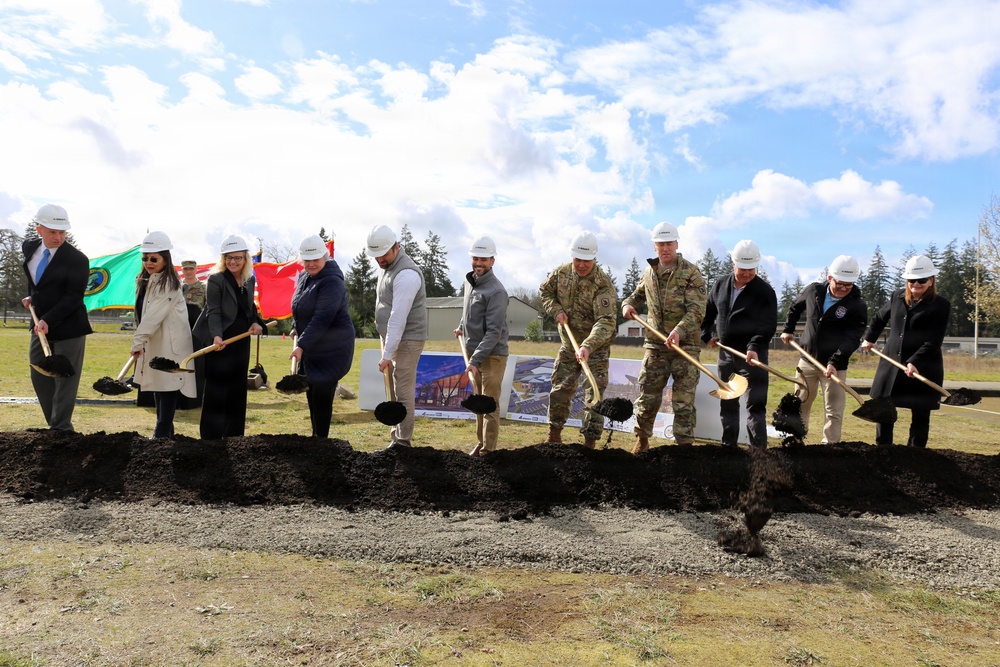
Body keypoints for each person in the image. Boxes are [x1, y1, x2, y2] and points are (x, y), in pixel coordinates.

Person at [622, 222, 707, 452]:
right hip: (655, 346)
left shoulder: (691, 273)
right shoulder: (649, 272)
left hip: (685, 347)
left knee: (683, 401)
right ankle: (642, 440)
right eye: (660, 244)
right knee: (647, 397)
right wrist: (628, 304)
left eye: (669, 243)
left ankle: (684, 447)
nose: (665, 248)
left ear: (677, 244)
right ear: (654, 246)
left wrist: (679, 331)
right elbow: (637, 295)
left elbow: (697, 311)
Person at [861, 255, 950, 447]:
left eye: (922, 280)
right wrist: (869, 338)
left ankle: (915, 456)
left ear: (931, 281)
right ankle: (884, 451)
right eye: (911, 280)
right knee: (884, 409)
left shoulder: (941, 305)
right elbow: (878, 318)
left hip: (924, 365)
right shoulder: (897, 296)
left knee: (920, 413)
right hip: (892, 362)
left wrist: (915, 361)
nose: (916, 284)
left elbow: (934, 340)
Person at [540, 231, 617, 448]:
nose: (581, 265)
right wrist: (555, 310)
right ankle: (554, 436)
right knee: (560, 388)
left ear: (594, 258)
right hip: (568, 344)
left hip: (596, 348)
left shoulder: (603, 285)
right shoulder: (561, 273)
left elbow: (606, 321)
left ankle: (589, 444)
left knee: (595, 393)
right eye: (577, 260)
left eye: (586, 261)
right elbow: (545, 292)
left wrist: (588, 345)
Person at [20, 204, 93, 432]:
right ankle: (54, 424)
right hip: (39, 326)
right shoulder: (29, 247)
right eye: (53, 232)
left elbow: (73, 297)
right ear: (39, 229)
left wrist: (48, 319)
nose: (59, 238)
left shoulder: (78, 259)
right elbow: (40, 282)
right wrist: (32, 297)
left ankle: (61, 429)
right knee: (39, 374)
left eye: (63, 232)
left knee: (64, 379)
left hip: (70, 327)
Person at [780, 255, 867, 444]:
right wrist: (788, 329)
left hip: (835, 366)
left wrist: (834, 361)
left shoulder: (857, 305)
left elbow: (852, 338)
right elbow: (795, 307)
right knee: (801, 403)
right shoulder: (814, 291)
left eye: (849, 285)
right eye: (840, 283)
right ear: (830, 278)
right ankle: (796, 441)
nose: (844, 288)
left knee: (833, 410)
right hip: (807, 360)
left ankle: (829, 447)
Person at [701, 240, 777, 448]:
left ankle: (758, 450)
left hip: (753, 356)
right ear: (733, 264)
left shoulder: (765, 292)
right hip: (726, 356)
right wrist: (706, 334)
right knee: (728, 403)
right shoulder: (720, 285)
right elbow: (707, 315)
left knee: (755, 406)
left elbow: (767, 325)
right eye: (743, 269)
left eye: (751, 269)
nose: (747, 273)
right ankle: (729, 447)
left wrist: (754, 347)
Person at [192, 235, 265, 439]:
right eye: (228, 258)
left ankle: (234, 438)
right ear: (223, 259)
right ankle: (210, 438)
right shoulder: (216, 280)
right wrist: (216, 336)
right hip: (221, 341)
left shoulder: (249, 279)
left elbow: (249, 307)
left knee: (237, 389)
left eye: (237, 258)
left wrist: (254, 322)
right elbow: (213, 311)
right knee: (217, 390)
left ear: (245, 258)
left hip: (241, 340)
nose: (233, 262)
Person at [129, 232, 197, 438]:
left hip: (170, 343)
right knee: (159, 385)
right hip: (155, 341)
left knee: (167, 385)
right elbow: (142, 315)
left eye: (154, 258)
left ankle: (161, 434)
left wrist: (138, 340)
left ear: (165, 259)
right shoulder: (147, 281)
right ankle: (168, 433)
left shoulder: (169, 284)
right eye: (145, 258)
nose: (148, 262)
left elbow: (153, 316)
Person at [367, 224, 427, 448]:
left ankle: (403, 442)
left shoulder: (407, 275)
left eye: (383, 255)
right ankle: (395, 437)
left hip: (408, 339)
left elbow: (398, 318)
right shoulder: (387, 267)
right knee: (391, 389)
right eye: (376, 256)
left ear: (396, 247)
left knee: (402, 391)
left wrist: (387, 353)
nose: (379, 260)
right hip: (392, 337)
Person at [290, 234, 355, 438]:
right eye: (307, 260)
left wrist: (300, 345)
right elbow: (300, 306)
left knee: (322, 395)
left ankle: (322, 444)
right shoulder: (304, 276)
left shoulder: (332, 282)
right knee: (312, 392)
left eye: (315, 260)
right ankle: (316, 440)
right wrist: (295, 326)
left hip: (332, 348)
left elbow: (322, 318)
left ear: (325, 256)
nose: (311, 264)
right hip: (314, 345)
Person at [454, 236, 509, 457]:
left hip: (492, 356)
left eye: (484, 259)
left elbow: (494, 332)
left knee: (489, 405)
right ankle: (480, 442)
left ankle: (488, 451)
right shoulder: (470, 282)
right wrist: (461, 326)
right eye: (476, 258)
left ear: (492, 261)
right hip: (473, 354)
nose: (479, 263)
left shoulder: (497, 292)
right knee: (478, 403)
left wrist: (475, 361)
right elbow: (468, 312)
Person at [180, 259, 206, 326]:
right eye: (186, 269)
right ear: (182, 270)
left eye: (191, 268)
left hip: (198, 323)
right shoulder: (176, 287)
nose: (188, 271)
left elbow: (208, 307)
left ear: (196, 269)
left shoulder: (204, 287)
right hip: (180, 323)